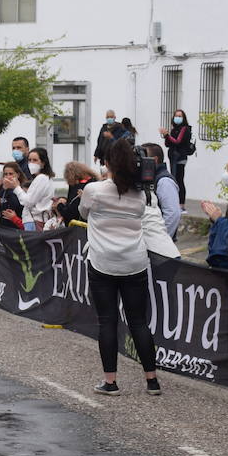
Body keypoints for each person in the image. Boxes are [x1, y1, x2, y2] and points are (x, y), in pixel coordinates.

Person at [78, 138, 162, 396]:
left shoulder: (94, 190)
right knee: (139, 322)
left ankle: (111, 381)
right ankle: (152, 381)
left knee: (108, 322)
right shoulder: (143, 193)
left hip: (102, 262)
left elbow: (83, 213)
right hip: (134, 262)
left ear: (108, 162)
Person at [140, 143, 182, 238]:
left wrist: (161, 239)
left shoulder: (164, 181)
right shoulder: (150, 179)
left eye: (143, 158)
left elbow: (172, 214)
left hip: (158, 243)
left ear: (154, 159)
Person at [12, 148, 56, 229]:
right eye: (29, 160)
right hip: (37, 220)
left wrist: (16, 187)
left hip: (35, 221)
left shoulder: (41, 178)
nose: (31, 163)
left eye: (35, 160)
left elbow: (28, 201)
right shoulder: (45, 178)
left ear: (43, 163)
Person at [160, 109, 195, 204]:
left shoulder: (185, 129)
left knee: (179, 179)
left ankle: (181, 203)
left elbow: (177, 141)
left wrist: (167, 135)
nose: (177, 118)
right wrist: (166, 136)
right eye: (176, 116)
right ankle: (175, 201)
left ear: (183, 118)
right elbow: (168, 144)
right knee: (174, 179)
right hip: (173, 157)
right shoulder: (174, 129)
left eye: (180, 116)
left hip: (180, 157)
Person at [52, 161, 99, 225]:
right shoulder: (94, 182)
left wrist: (59, 205)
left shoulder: (77, 187)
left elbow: (71, 213)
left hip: (78, 227)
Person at [0, 161, 27, 227]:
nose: (8, 177)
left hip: (17, 228)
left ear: (17, 175)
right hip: (3, 228)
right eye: (5, 174)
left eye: (11, 174)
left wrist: (10, 188)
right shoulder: (3, 190)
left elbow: (15, 206)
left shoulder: (21, 189)